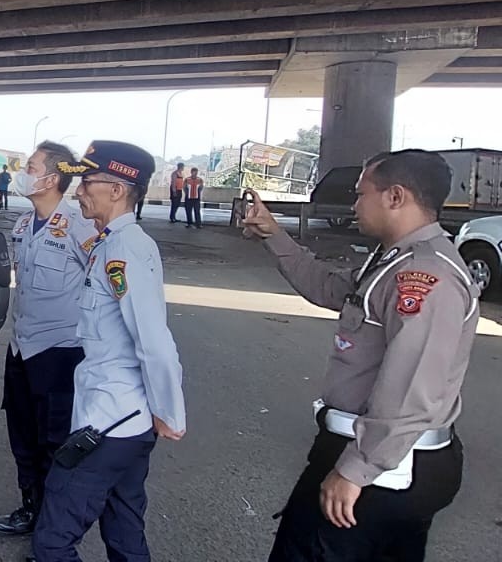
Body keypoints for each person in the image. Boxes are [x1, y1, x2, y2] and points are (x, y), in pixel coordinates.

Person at [242, 149, 479, 562]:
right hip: (380, 453)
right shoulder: (394, 259)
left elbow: (411, 388)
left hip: (383, 460)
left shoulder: (426, 277)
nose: (354, 205)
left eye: (361, 194)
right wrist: (272, 233)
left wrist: (355, 470)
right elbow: (330, 288)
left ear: (395, 197)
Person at [30, 141, 186, 562]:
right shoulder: (111, 242)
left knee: (51, 543)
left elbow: (154, 342)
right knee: (123, 531)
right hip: (125, 422)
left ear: (117, 190)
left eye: (87, 181)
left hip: (110, 424)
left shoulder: (123, 250)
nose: (77, 190)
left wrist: (169, 413)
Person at [0, 142, 98, 538]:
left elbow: (103, 286)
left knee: (55, 444)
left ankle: (54, 531)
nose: (24, 171)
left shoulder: (81, 226)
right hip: (22, 348)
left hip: (60, 353)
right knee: (22, 437)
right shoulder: (21, 225)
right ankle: (30, 508)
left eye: (31, 166)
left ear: (51, 179)